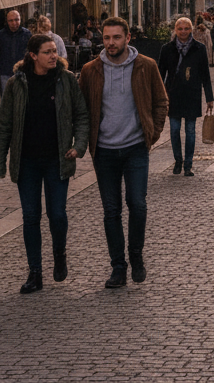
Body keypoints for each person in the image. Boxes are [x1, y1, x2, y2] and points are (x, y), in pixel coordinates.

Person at [0, 33, 90, 294]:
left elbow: (81, 115)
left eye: (54, 51)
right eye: (47, 52)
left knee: (57, 214)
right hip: (27, 162)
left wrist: (78, 146)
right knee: (30, 217)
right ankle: (35, 271)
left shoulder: (66, 80)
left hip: (57, 159)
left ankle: (59, 253)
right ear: (33, 55)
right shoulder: (16, 83)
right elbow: (4, 124)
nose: (53, 56)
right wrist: (0, 160)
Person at [79, 17, 168, 288]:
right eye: (106, 38)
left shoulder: (146, 66)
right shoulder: (90, 70)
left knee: (137, 205)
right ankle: (118, 266)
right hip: (104, 150)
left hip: (135, 148)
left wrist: (151, 133)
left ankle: (136, 256)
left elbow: (161, 101)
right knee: (111, 210)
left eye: (116, 37)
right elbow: (82, 109)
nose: (110, 43)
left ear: (128, 38)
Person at [158, 17, 214, 177]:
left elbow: (205, 74)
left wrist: (209, 97)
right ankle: (178, 160)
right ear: (176, 30)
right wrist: (159, 95)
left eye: (186, 29)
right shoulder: (167, 49)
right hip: (173, 94)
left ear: (191, 30)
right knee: (174, 130)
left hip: (192, 93)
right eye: (180, 29)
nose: (183, 32)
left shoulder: (199, 48)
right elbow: (160, 74)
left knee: (190, 131)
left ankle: (188, 164)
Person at [0, 10, 31, 98]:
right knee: (7, 97)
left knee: (22, 97)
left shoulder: (26, 34)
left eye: (16, 20)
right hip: (5, 71)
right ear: (7, 21)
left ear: (20, 20)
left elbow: (31, 51)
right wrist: (0, 63)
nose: (14, 23)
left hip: (22, 71)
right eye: (11, 20)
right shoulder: (1, 35)